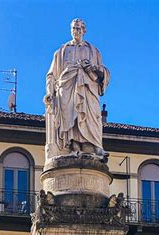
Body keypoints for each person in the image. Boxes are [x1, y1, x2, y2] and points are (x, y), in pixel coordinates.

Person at [43, 18, 110, 160]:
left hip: (88, 88)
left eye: (79, 29)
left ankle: (92, 145)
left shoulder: (93, 51)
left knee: (91, 116)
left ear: (84, 31)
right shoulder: (61, 51)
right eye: (74, 28)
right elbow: (51, 75)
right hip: (67, 88)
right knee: (70, 117)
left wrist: (93, 68)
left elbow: (104, 71)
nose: (76, 31)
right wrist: (49, 92)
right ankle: (73, 146)